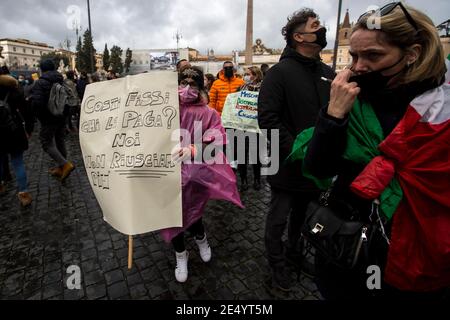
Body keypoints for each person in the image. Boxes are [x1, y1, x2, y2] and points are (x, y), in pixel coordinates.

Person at [300, 2, 449, 300]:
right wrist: (333, 116)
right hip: (346, 244)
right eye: (354, 55)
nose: (357, 66)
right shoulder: (352, 97)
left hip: (413, 249)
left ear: (412, 54)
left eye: (373, 55)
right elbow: (318, 168)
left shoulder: (441, 108)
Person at [257, 8, 335, 291]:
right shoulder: (278, 74)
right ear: (299, 36)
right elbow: (268, 119)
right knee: (278, 219)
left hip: (316, 169)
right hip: (286, 165)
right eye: (316, 25)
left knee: (303, 219)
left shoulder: (329, 73)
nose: (322, 29)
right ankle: (277, 265)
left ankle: (295, 254)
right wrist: (297, 151)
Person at [160, 66, 243, 283]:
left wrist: (193, 149)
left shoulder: (209, 114)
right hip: (167, 176)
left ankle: (201, 239)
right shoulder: (165, 109)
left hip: (196, 176)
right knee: (172, 218)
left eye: (193, 85)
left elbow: (217, 144)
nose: (186, 89)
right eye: (182, 84)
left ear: (200, 88)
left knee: (194, 213)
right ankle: (181, 254)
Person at [31, 60, 75, 181]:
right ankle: (61, 167)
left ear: (42, 69)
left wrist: (38, 116)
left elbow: (38, 103)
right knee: (60, 140)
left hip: (48, 118)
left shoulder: (40, 83)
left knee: (46, 142)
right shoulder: (61, 80)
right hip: (61, 116)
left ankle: (65, 164)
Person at [0, 64, 34, 206]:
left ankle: (1, 185)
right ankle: (24, 193)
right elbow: (26, 111)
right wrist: (29, 129)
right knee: (18, 162)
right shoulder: (15, 90)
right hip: (14, 129)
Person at [237, 66, 263, 191]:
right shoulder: (241, 88)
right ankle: (243, 180)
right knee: (241, 154)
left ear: (256, 75)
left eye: (248, 74)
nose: (245, 76)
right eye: (245, 74)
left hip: (257, 127)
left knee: (256, 154)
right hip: (242, 126)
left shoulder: (264, 89)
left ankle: (257, 180)